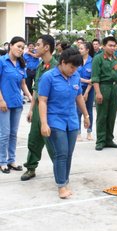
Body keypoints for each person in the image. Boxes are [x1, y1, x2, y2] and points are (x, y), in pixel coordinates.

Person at [38, 48, 89, 199]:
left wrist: (86, 115)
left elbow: (79, 97)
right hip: (55, 120)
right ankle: (61, 186)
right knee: (61, 153)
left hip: (72, 120)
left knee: (69, 154)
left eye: (76, 68)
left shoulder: (75, 76)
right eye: (71, 67)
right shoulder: (48, 77)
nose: (74, 70)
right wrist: (44, 123)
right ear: (62, 62)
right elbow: (42, 101)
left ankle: (65, 181)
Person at [21, 35, 58, 181]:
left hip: (51, 109)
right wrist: (31, 110)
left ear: (47, 47)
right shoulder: (40, 66)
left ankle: (60, 170)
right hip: (38, 109)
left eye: (38, 44)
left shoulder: (57, 67)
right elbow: (36, 89)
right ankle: (31, 168)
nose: (35, 47)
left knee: (53, 142)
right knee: (34, 139)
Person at [0, 36, 31, 173]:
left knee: (13, 134)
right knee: (4, 134)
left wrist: (30, 97)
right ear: (10, 46)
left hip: (17, 104)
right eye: (18, 46)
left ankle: (11, 160)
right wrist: (1, 100)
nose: (20, 49)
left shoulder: (21, 64)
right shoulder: (2, 62)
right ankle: (2, 161)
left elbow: (23, 84)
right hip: (4, 104)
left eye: (22, 47)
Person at [91, 36, 117, 151]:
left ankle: (109, 139)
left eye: (114, 46)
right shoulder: (98, 59)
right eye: (110, 45)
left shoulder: (116, 59)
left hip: (114, 88)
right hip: (103, 87)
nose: (112, 48)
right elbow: (95, 78)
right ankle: (100, 141)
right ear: (104, 46)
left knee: (112, 116)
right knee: (102, 116)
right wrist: (98, 93)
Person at [77, 42, 95, 141]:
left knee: (89, 111)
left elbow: (93, 79)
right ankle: (78, 133)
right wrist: (85, 80)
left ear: (87, 50)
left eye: (81, 48)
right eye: (79, 48)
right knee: (78, 111)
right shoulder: (77, 61)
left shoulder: (93, 61)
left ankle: (89, 132)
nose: (79, 50)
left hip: (89, 89)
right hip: (78, 88)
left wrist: (86, 92)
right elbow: (74, 76)